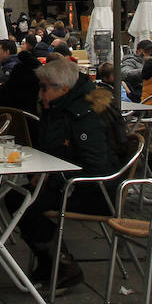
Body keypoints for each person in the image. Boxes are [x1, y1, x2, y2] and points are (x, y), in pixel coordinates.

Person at [16, 57, 123, 291]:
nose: (40, 94)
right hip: (70, 184)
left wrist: (52, 178)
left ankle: (63, 265)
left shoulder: (86, 114)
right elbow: (55, 150)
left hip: (96, 192)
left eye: (44, 88)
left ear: (63, 89)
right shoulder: (59, 108)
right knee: (17, 197)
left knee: (25, 204)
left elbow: (95, 167)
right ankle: (50, 261)